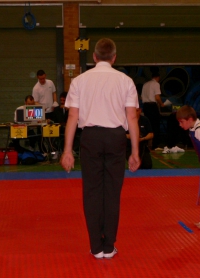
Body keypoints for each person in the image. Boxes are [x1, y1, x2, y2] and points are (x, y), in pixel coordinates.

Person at [60, 38, 140, 259]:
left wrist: (67, 151)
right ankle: (109, 246)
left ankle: (96, 247)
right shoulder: (125, 81)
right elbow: (131, 117)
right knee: (112, 193)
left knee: (92, 193)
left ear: (94, 57)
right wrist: (135, 152)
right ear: (114, 58)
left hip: (91, 137)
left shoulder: (79, 81)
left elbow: (73, 117)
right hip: (116, 138)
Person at [141, 71, 165, 150]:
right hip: (152, 106)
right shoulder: (156, 84)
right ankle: (155, 145)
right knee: (155, 125)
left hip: (145, 106)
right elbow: (157, 97)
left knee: (147, 124)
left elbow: (141, 97)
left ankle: (146, 144)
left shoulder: (145, 84)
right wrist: (161, 104)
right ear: (158, 78)